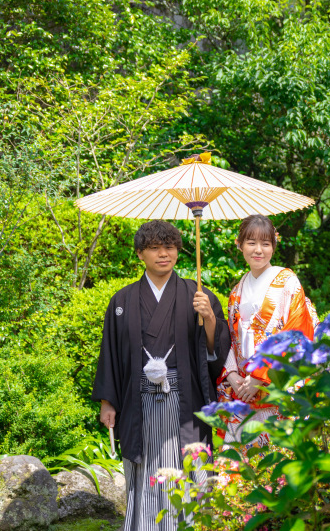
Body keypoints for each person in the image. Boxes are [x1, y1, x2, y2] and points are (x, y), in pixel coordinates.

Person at [92, 220, 230, 531]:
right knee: (145, 468)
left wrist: (208, 317)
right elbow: (111, 354)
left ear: (179, 252)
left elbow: (215, 350)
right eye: (154, 248)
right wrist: (107, 401)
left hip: (184, 399)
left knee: (188, 466)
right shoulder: (122, 301)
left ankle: (193, 524)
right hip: (138, 400)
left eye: (169, 247)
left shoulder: (197, 295)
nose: (163, 254)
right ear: (140, 253)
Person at [216, 214, 318, 448]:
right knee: (238, 470)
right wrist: (233, 376)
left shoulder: (288, 281)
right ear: (239, 244)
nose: (258, 250)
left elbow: (296, 332)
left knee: (277, 468)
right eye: (251, 243)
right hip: (244, 391)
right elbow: (232, 341)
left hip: (275, 386)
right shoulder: (236, 291)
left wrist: (260, 378)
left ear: (274, 244)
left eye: (266, 243)